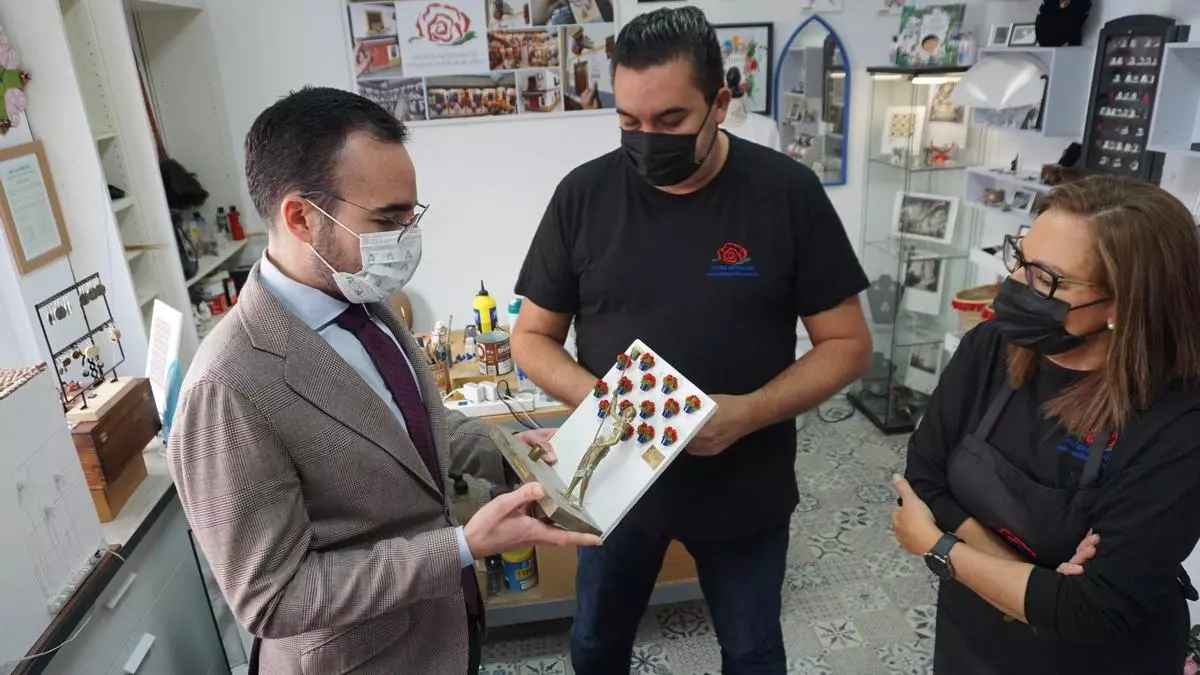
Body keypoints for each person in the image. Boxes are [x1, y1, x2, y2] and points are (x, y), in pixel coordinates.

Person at [167, 87, 600, 675]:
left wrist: (509, 454)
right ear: (300, 218)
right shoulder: (228, 385)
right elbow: (275, 598)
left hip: (445, 629)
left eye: (410, 216)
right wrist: (461, 546)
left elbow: (413, 425)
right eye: (386, 219)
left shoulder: (364, 301)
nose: (405, 236)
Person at [511, 7, 872, 674]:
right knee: (595, 644)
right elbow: (531, 337)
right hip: (613, 479)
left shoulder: (786, 193)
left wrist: (750, 411)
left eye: (671, 120)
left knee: (752, 651)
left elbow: (848, 343)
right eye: (628, 120)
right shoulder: (583, 196)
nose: (647, 139)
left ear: (721, 104)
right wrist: (610, 406)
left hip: (744, 483)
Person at [893, 175, 1200, 674]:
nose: (1015, 283)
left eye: (1046, 278)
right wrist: (1035, 588)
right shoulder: (991, 347)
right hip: (973, 635)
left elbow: (1095, 609)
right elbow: (924, 481)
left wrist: (939, 546)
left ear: (1124, 302)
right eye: (1021, 258)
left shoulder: (1179, 423)